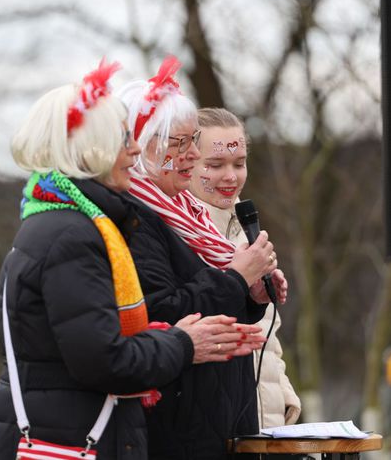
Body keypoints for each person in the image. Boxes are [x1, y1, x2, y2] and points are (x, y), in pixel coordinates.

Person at [0, 60, 266, 460]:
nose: (133, 150)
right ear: (90, 150)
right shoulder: (72, 236)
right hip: (75, 438)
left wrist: (239, 296)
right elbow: (106, 361)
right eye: (123, 140)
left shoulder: (73, 225)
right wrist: (184, 341)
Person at [120, 56, 287, 459]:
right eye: (182, 144)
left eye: (239, 163)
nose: (192, 155)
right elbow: (161, 315)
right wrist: (235, 278)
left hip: (225, 423)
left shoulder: (195, 219)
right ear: (144, 146)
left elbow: (232, 327)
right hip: (180, 431)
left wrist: (251, 297)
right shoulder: (138, 219)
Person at [189, 107, 302, 429]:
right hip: (213, 426)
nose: (231, 176)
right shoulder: (179, 234)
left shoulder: (247, 230)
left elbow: (268, 334)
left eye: (239, 164)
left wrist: (284, 401)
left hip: (265, 428)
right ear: (186, 162)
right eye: (215, 165)